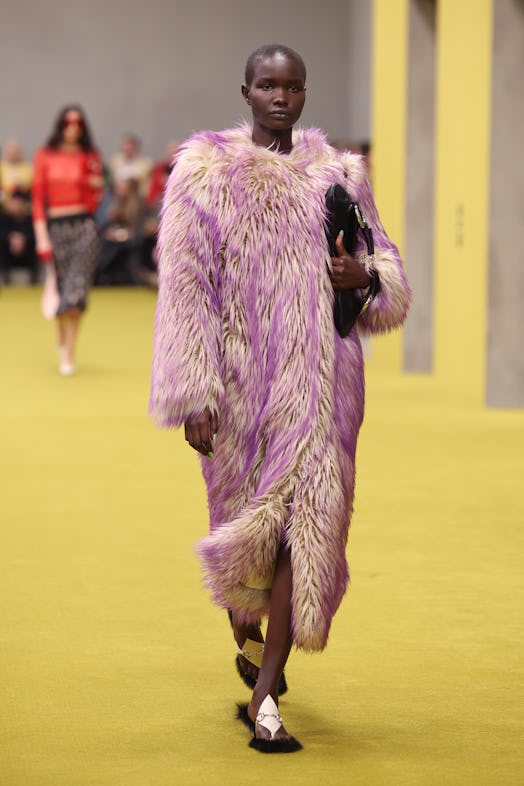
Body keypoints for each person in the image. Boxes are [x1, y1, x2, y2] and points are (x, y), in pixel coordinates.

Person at [149, 44, 411, 752]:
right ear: (246, 90)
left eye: (292, 86)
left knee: (309, 527)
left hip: (326, 388)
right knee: (246, 539)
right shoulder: (205, 174)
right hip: (237, 392)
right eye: (267, 84)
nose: (280, 97)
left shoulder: (341, 173)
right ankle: (247, 624)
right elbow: (184, 291)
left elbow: (387, 270)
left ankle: (265, 698)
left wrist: (365, 275)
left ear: (304, 93)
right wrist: (191, 392)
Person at [32, 105, 103, 375]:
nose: (73, 128)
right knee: (61, 288)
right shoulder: (45, 156)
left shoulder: (89, 156)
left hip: (84, 226)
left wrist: (92, 183)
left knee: (77, 289)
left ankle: (69, 351)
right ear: (60, 125)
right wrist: (41, 238)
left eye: (78, 123)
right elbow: (38, 200)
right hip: (56, 228)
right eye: (68, 122)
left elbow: (97, 193)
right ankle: (62, 338)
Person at [0, 189, 38, 284]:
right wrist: (11, 238)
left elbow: (34, 235)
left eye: (19, 203)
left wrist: (23, 239)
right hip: (8, 253)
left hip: (25, 253)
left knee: (34, 246)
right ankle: (5, 278)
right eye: (14, 202)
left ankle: (33, 279)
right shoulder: (4, 218)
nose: (17, 205)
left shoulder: (29, 219)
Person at [0, 140, 33, 204]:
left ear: (20, 153)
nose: (12, 155)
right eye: (10, 153)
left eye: (15, 153)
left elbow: (31, 186)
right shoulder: (1, 168)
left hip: (24, 201)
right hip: (4, 204)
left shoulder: (28, 168)